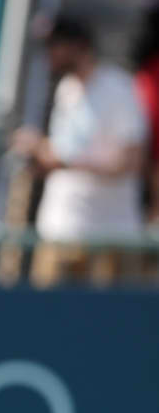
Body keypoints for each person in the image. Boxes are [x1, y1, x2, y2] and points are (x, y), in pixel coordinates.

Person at [10, 16, 147, 287]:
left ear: (79, 46)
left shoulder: (118, 89)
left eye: (55, 45)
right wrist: (41, 159)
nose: (49, 55)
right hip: (58, 231)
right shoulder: (67, 89)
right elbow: (69, 152)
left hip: (108, 237)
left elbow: (130, 162)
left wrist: (58, 158)